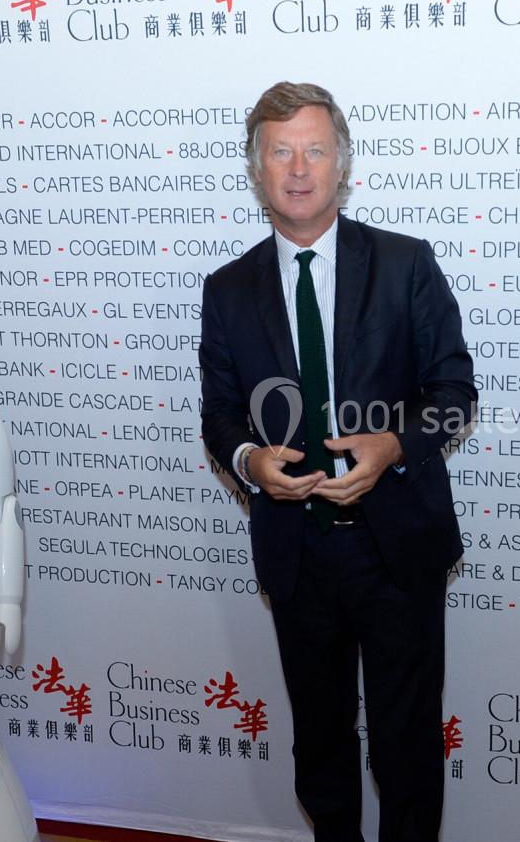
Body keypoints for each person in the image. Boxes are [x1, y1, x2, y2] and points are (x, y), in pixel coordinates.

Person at [200, 82, 476, 842]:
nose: (297, 168)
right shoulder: (226, 291)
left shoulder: (405, 263)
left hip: (396, 549)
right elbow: (218, 415)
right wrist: (250, 460)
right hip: (299, 555)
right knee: (319, 747)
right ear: (256, 172)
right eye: (280, 152)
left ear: (342, 167)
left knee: (406, 747)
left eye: (314, 150)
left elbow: (455, 390)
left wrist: (390, 446)